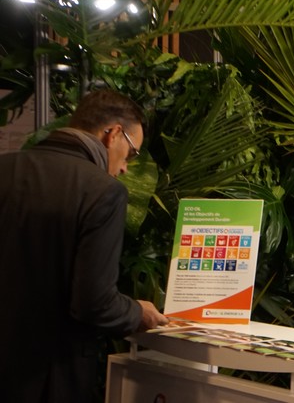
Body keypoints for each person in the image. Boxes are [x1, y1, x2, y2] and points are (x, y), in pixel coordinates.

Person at [0, 89, 169, 402]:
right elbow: (93, 303)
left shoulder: (5, 168)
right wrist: (136, 312)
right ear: (113, 134)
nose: (124, 168)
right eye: (131, 153)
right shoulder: (101, 191)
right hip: (48, 378)